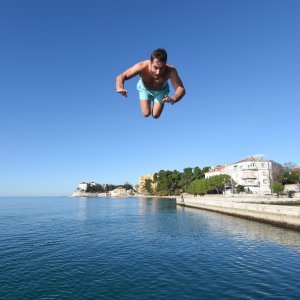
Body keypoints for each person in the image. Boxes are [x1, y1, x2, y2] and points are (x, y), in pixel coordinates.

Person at [116, 48, 186, 119]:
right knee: (146, 113)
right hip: (145, 89)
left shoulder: (171, 70)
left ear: (165, 64)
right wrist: (119, 87)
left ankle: (157, 101)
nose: (158, 72)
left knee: (156, 115)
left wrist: (173, 99)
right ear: (151, 62)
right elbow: (121, 76)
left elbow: (181, 88)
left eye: (162, 68)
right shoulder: (142, 66)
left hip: (161, 90)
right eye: (155, 67)